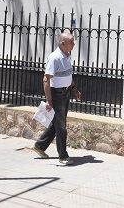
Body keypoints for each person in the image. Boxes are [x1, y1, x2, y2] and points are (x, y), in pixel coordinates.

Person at [31, 31, 81, 165]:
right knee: (61, 126)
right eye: (71, 42)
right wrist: (49, 100)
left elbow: (68, 75)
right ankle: (63, 156)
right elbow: (46, 80)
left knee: (57, 123)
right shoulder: (55, 58)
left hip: (66, 93)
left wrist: (74, 89)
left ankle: (40, 146)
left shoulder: (67, 55)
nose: (74, 44)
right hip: (57, 94)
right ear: (63, 43)